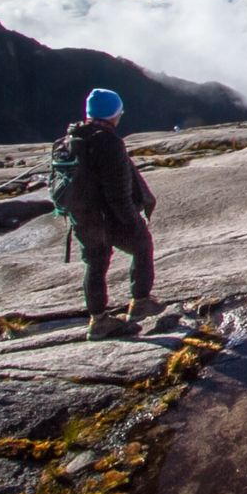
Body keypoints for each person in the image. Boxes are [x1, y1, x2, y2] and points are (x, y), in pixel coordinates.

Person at [71, 88, 162, 339]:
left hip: (83, 217)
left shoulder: (71, 139)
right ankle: (140, 303)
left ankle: (98, 321)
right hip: (108, 217)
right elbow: (118, 192)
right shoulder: (109, 142)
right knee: (142, 245)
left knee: (95, 265)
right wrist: (133, 220)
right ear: (114, 114)